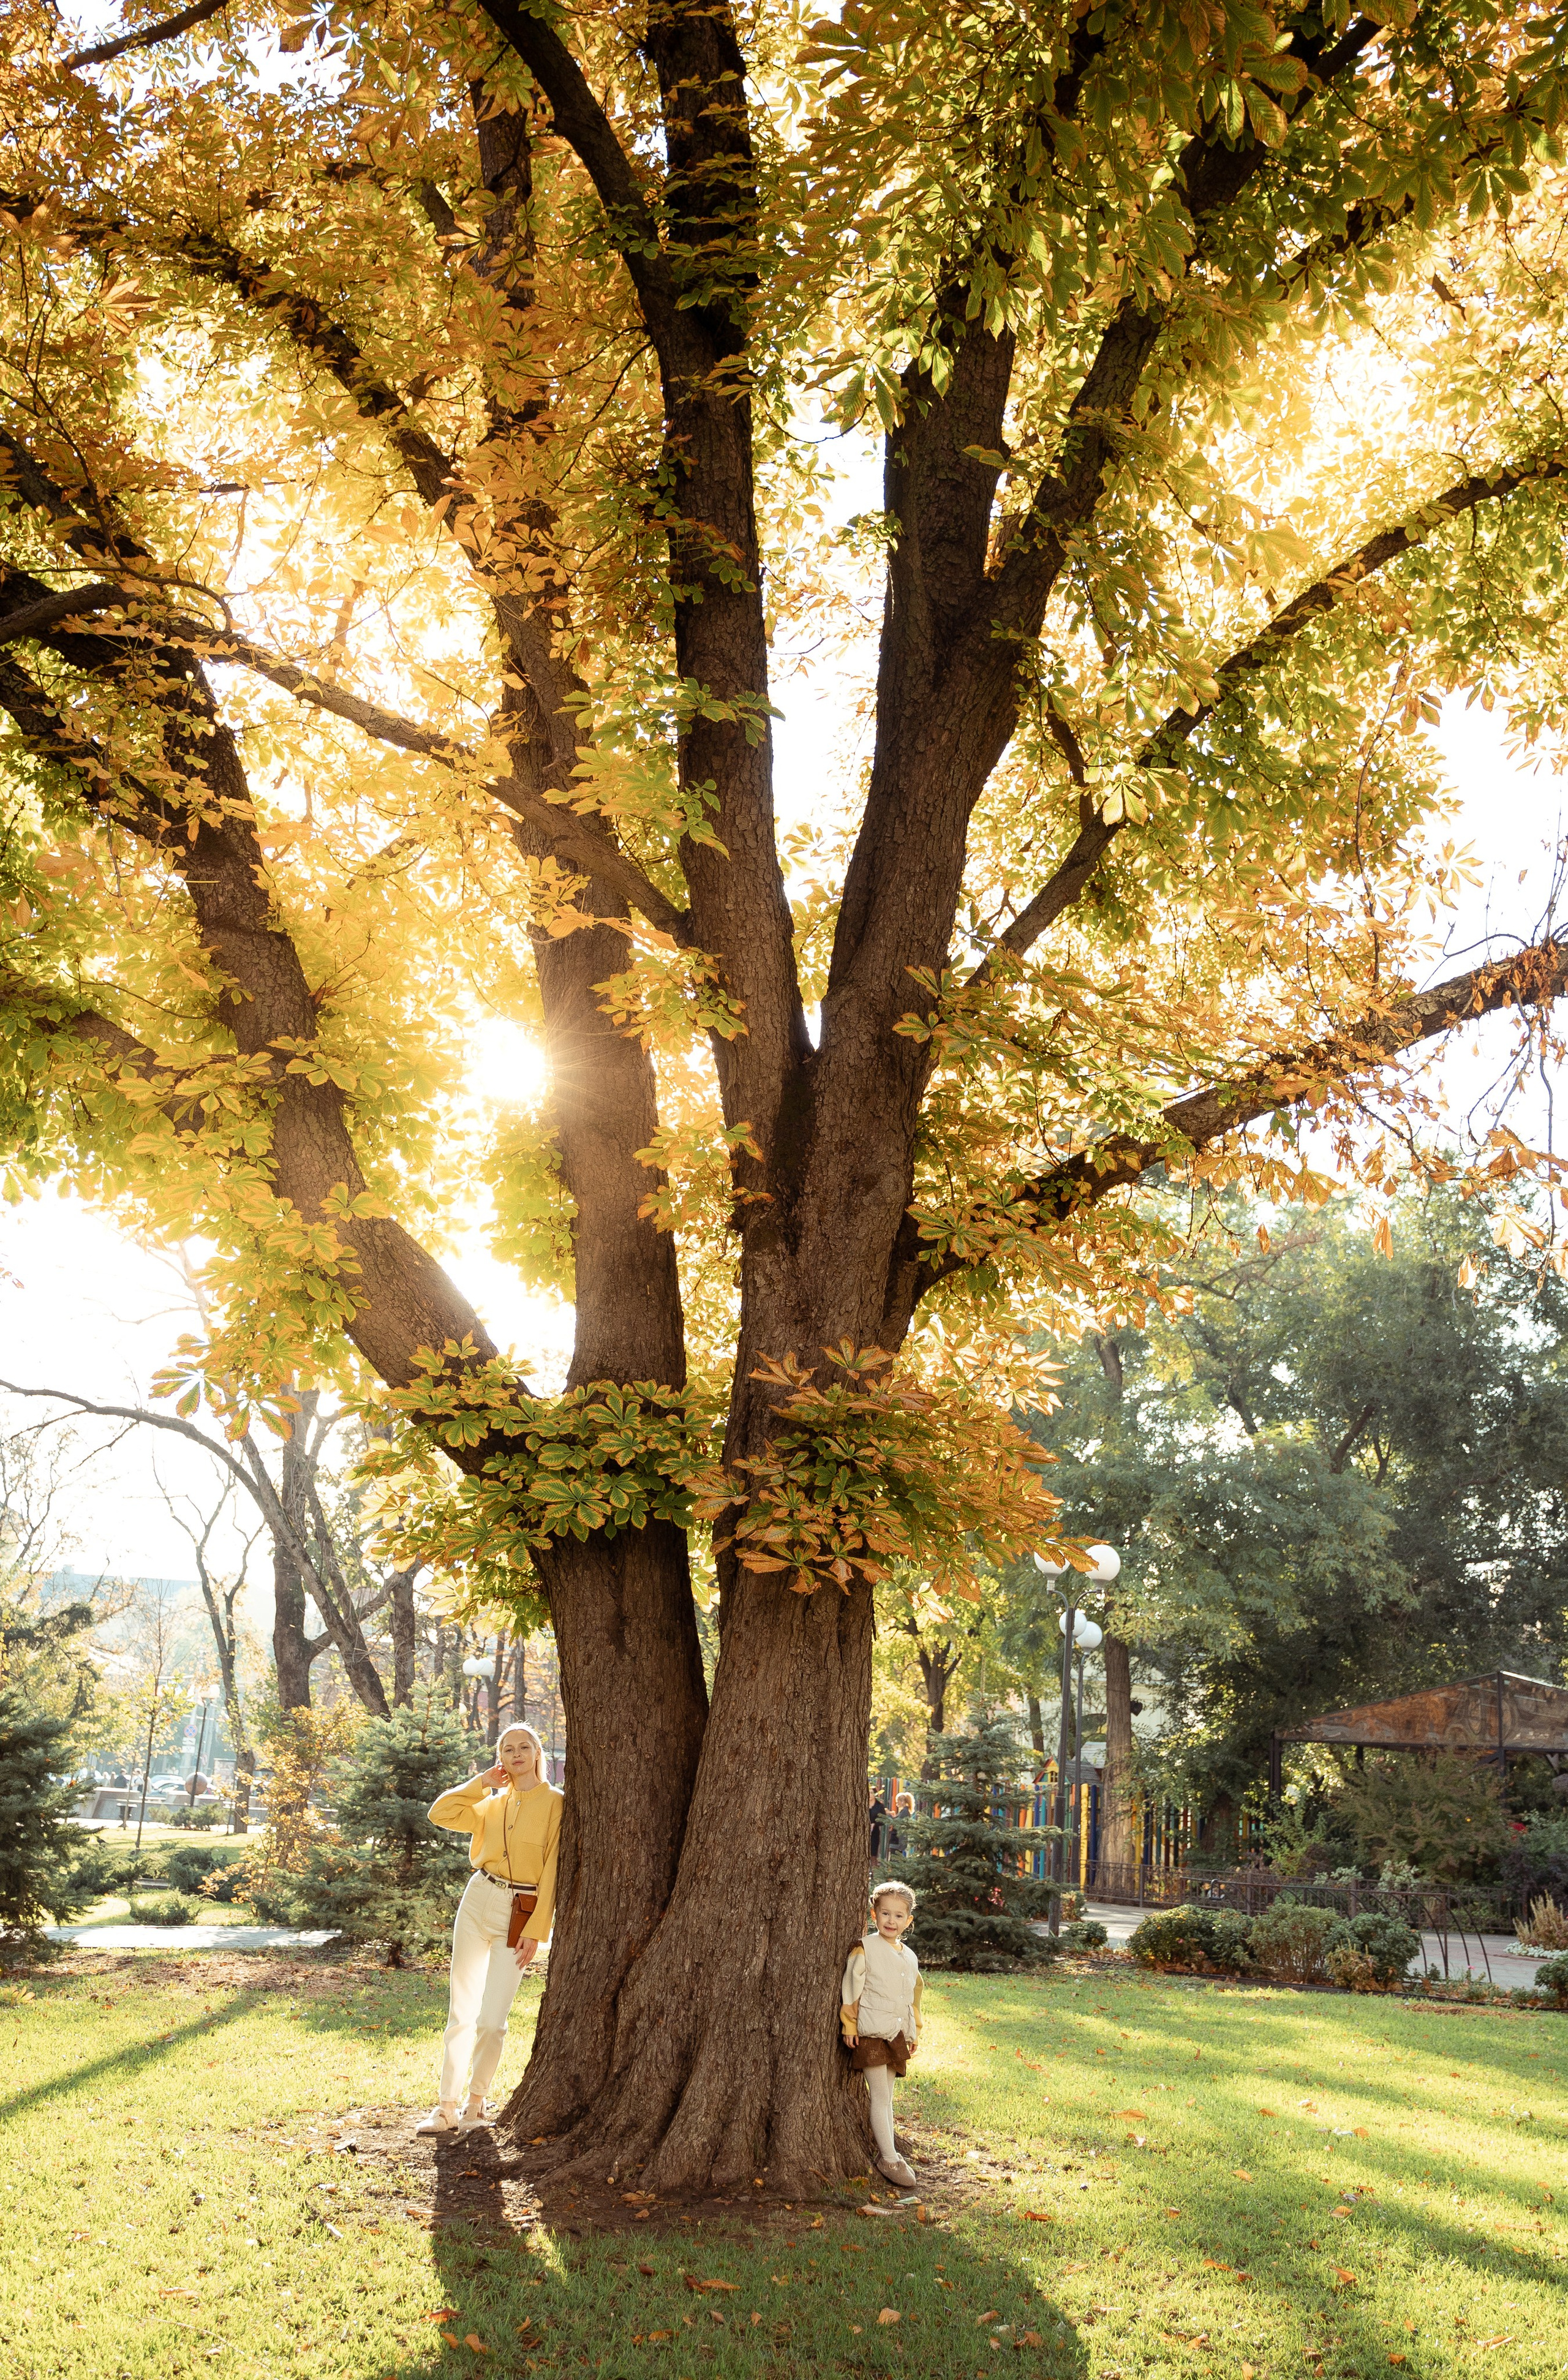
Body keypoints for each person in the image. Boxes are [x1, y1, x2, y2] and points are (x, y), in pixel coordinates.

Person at [417, 1720, 562, 2136]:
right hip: (478, 1897)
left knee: (492, 2019)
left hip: (520, 1910)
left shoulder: (556, 1804)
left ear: (538, 1753)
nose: (516, 1754)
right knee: (460, 2010)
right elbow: (440, 1812)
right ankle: (445, 2108)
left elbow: (552, 1868)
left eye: (524, 1746)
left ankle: (475, 2104)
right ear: (501, 1759)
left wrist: (537, 1928)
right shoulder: (491, 1803)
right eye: (508, 1749)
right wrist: (482, 1781)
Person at [840, 1879, 922, 2190]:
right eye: (885, 1914)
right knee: (880, 2096)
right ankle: (888, 2157)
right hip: (872, 2032)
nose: (891, 1921)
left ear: (908, 1921)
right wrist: (849, 2025)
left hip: (896, 2034)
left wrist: (912, 2034)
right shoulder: (865, 1948)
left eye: (899, 1916)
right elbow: (852, 1988)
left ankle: (892, 2154)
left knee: (888, 2097)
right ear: (873, 1915)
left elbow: (912, 1999)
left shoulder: (909, 1956)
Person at [868, 1788, 889, 1864]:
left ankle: (874, 1872)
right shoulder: (863, 1804)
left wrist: (875, 1824)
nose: (869, 1794)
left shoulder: (879, 1806)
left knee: (873, 1853)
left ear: (875, 1794)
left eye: (871, 1793)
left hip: (874, 1833)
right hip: (863, 1833)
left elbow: (884, 1819)